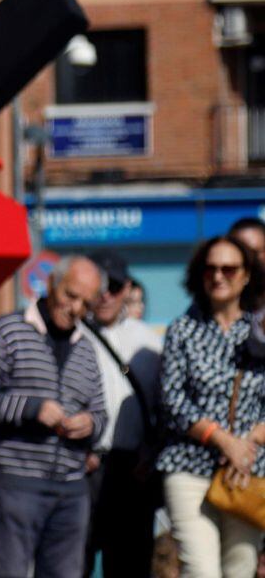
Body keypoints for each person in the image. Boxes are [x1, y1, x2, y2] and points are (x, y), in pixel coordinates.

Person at [0, 255, 107, 578]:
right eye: (71, 295)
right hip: (18, 482)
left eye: (86, 302)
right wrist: (31, 408)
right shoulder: (8, 331)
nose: (76, 308)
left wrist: (90, 425)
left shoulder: (87, 347)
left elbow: (99, 412)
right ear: (52, 284)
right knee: (8, 570)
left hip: (72, 489)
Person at [156, 235, 265, 577]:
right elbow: (172, 401)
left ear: (246, 275)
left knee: (241, 567)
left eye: (229, 269)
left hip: (247, 470)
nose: (218, 276)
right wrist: (223, 440)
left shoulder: (260, 331)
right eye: (210, 269)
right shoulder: (182, 330)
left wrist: (249, 444)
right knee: (201, 570)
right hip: (189, 466)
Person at [80, 251, 163, 577]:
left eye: (113, 286)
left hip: (134, 467)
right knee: (76, 559)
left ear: (127, 288)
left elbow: (164, 408)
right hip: (85, 466)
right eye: (98, 286)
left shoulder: (148, 342)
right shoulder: (72, 335)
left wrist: (152, 452)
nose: (104, 295)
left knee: (131, 560)